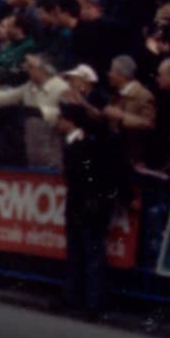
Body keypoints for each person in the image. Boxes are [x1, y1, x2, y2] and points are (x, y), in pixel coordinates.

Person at [55, 102, 125, 318]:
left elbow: (105, 174)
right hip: (79, 204)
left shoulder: (93, 142)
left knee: (91, 252)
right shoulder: (76, 142)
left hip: (92, 205)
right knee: (76, 252)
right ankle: (72, 297)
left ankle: (93, 303)